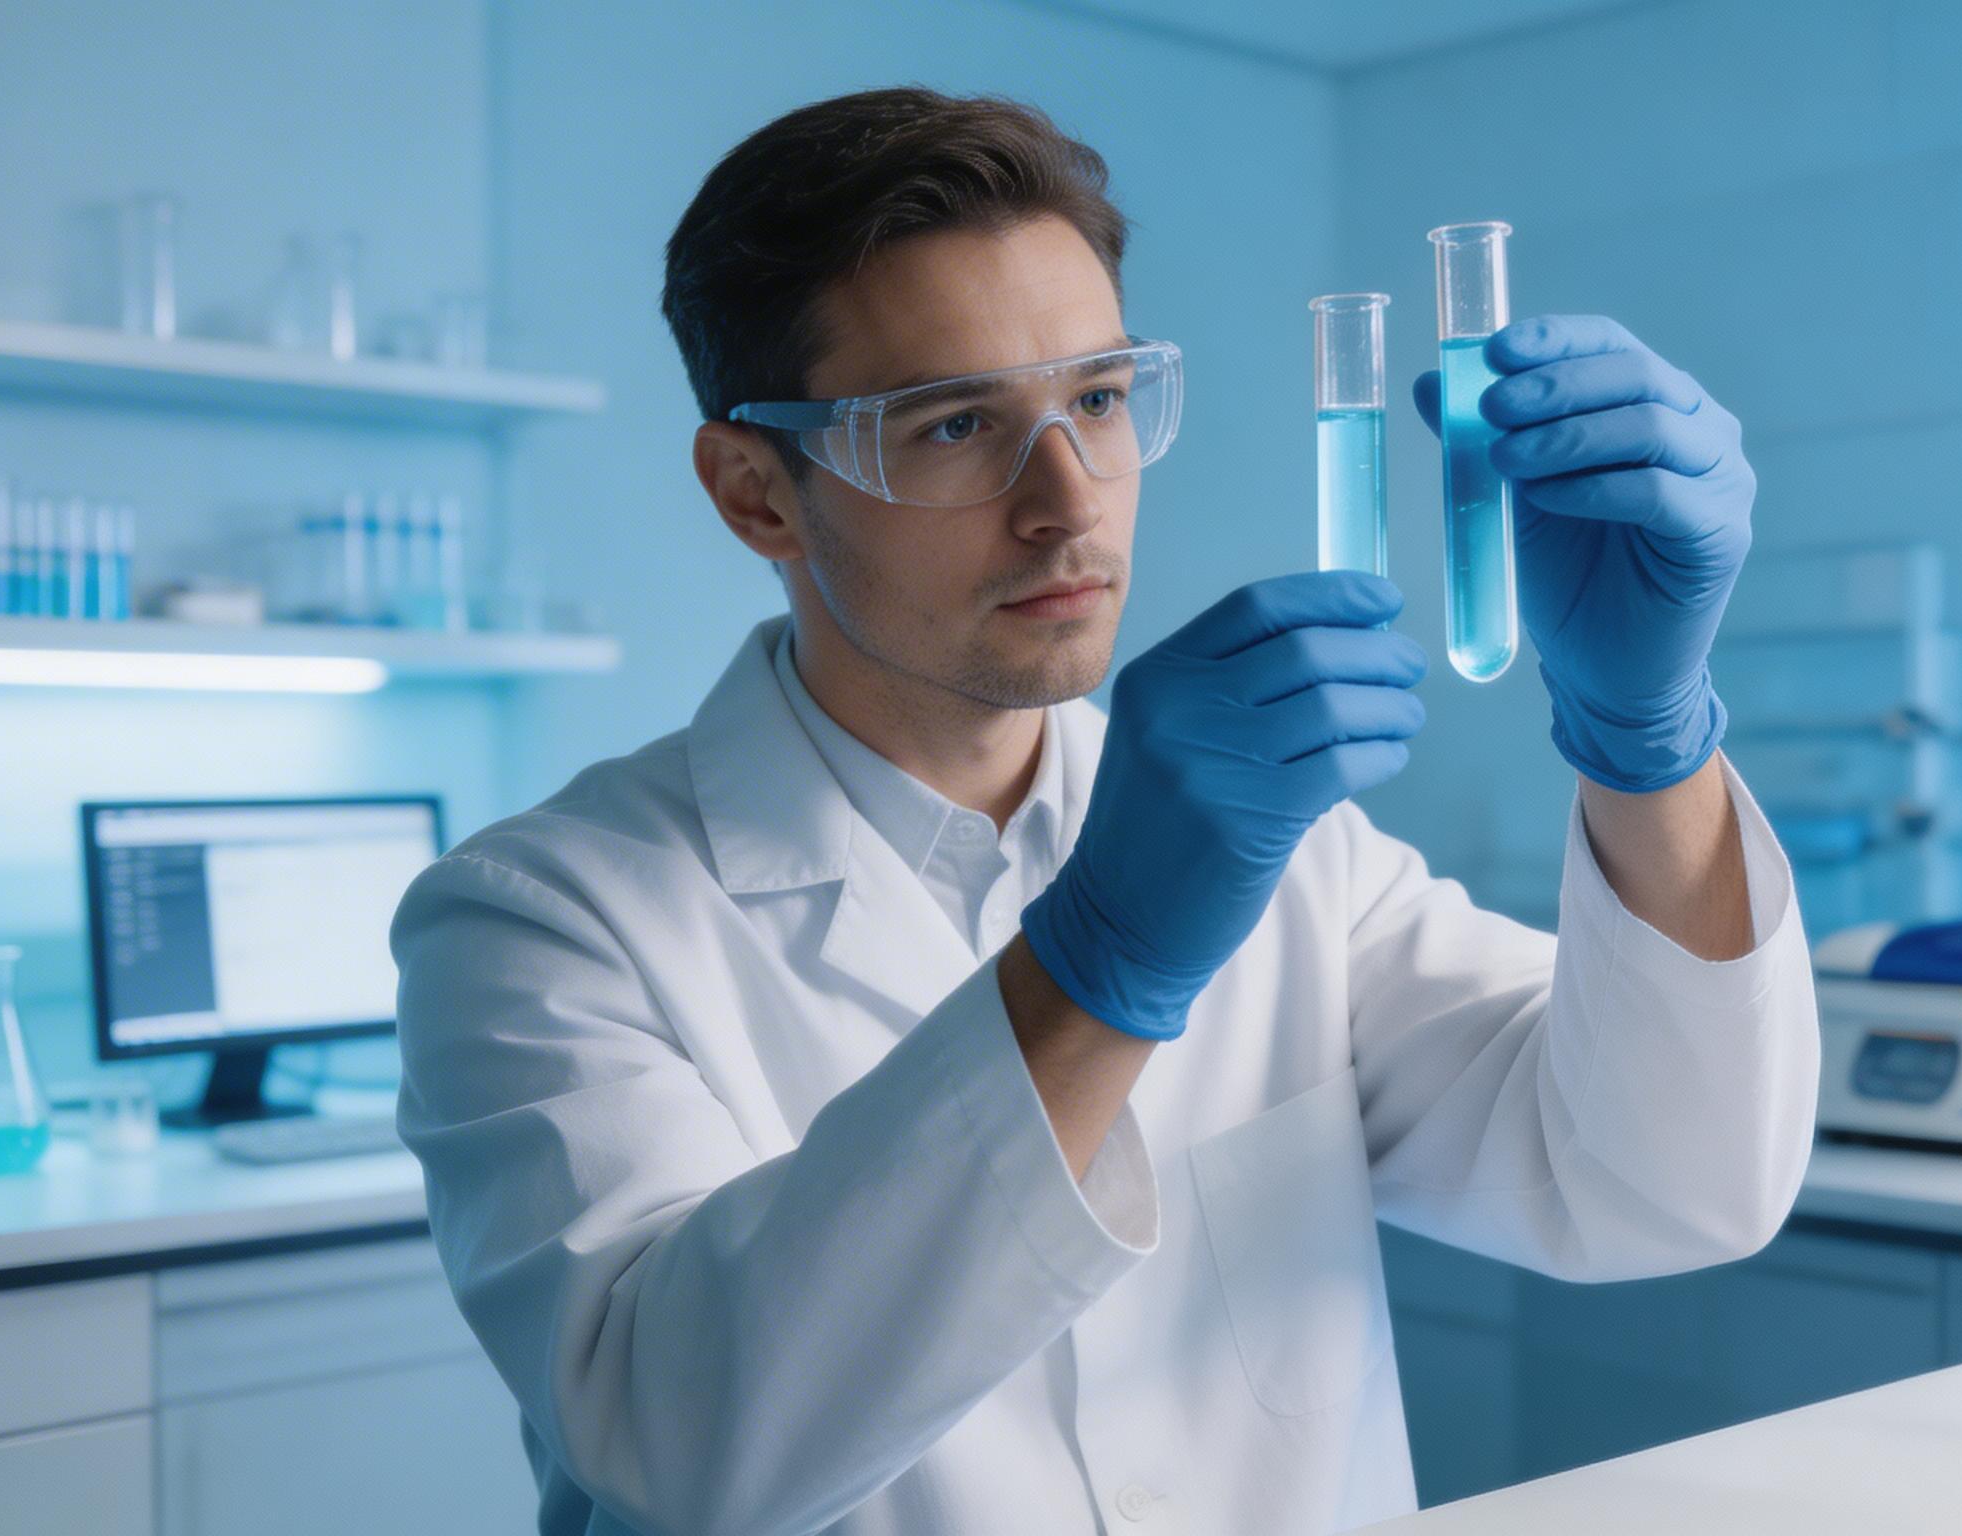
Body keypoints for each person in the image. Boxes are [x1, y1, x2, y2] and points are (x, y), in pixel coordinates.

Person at [392, 86, 1816, 1536]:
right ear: (757, 494)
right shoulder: (538, 922)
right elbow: (687, 1445)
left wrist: (1647, 744)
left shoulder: (1293, 853)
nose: (1068, 502)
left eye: (1098, 400)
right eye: (954, 425)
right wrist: (1098, 968)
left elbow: (1668, 1184)